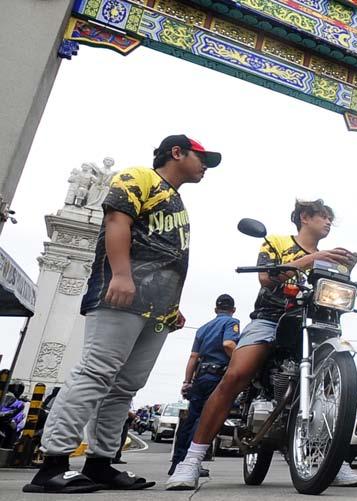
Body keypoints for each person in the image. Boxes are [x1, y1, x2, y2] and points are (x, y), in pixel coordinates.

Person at [23, 134, 221, 494]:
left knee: (125, 387)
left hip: (158, 309)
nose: (205, 166)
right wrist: (121, 274)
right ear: (177, 152)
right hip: (122, 294)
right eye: (201, 157)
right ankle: (52, 464)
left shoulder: (176, 200)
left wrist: (171, 307)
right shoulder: (139, 176)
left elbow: (166, 256)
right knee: (95, 372)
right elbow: (117, 220)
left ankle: (101, 463)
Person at [167, 199, 357, 490]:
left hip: (316, 323)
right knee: (236, 374)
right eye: (323, 216)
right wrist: (312, 259)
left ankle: (333, 459)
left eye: (329, 218)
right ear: (304, 217)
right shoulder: (277, 242)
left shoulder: (331, 257)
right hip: (271, 317)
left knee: (334, 387)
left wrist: (347, 268)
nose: (328, 222)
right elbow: (266, 277)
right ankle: (191, 460)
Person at [168, 294, 240, 475]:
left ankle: (177, 463)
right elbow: (228, 344)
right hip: (217, 377)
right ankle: (190, 463)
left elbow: (193, 357)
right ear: (233, 310)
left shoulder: (203, 329)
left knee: (191, 419)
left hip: (200, 377)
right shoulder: (232, 322)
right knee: (204, 420)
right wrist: (241, 362)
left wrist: (187, 381)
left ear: (216, 309)